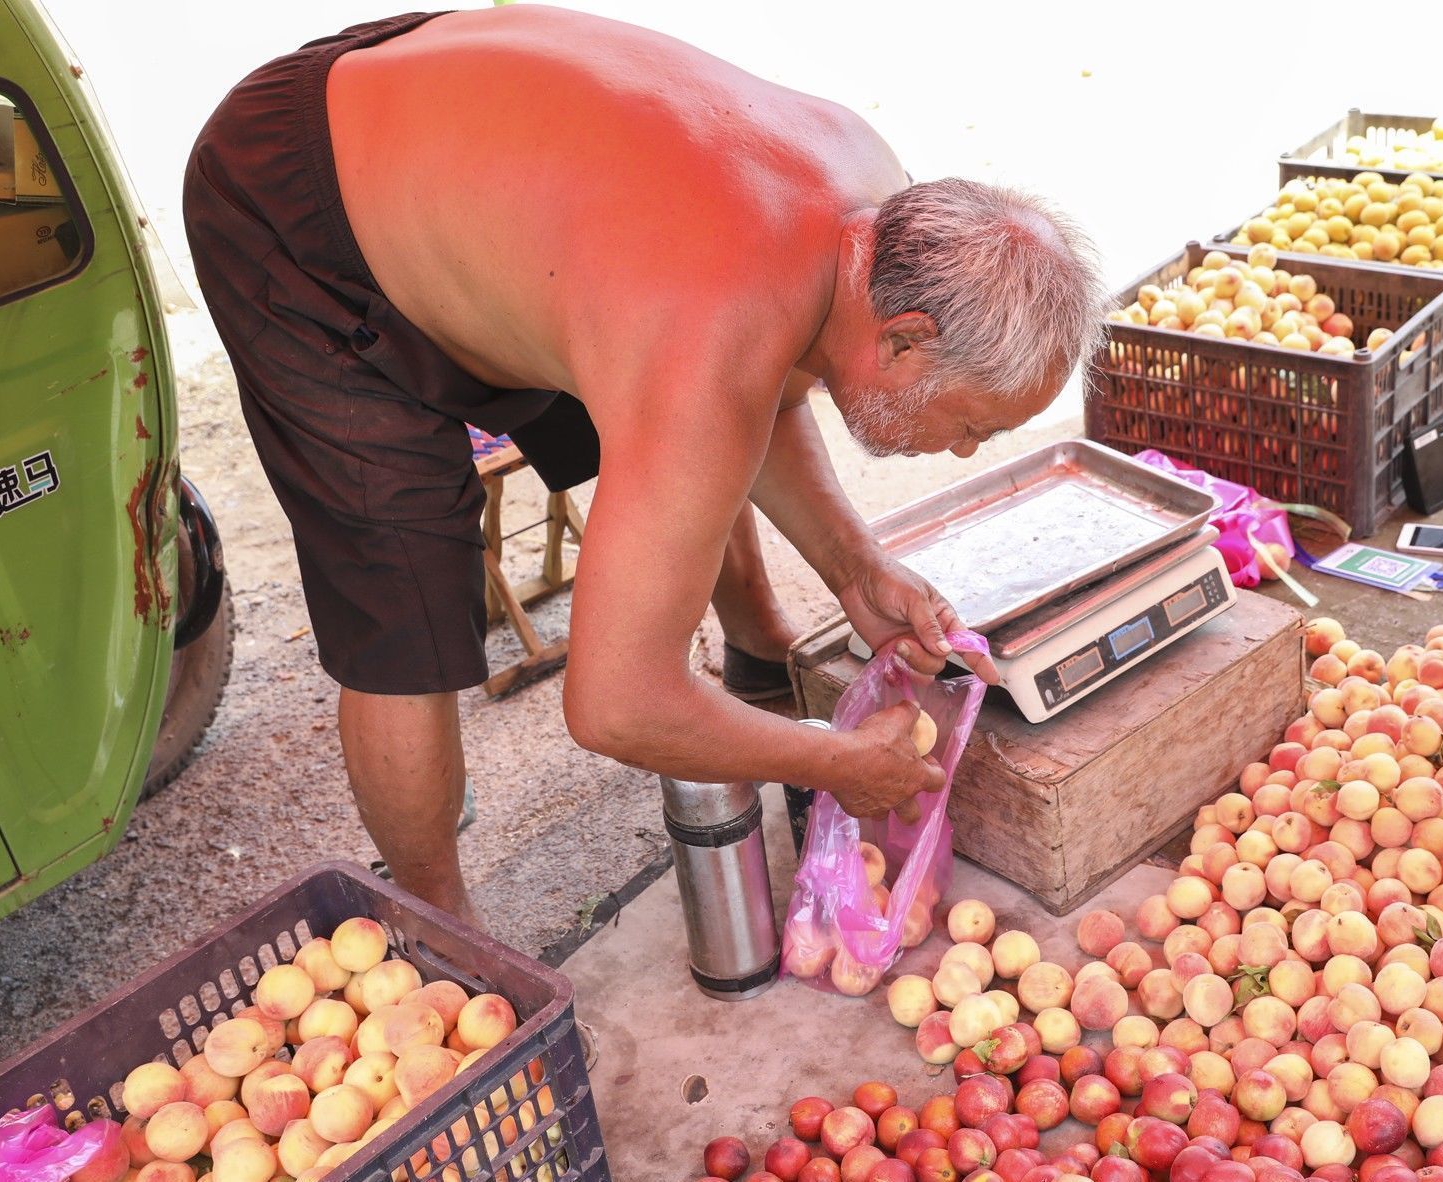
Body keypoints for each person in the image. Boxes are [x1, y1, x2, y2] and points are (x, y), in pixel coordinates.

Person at [183, 6, 1106, 926]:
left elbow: (772, 373)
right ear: (905, 341)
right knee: (404, 596)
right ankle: (437, 922)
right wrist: (830, 759)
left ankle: (755, 639)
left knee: (703, 418)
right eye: (972, 425)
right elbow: (616, 705)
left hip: (459, 129)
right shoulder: (707, 341)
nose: (961, 449)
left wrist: (856, 566)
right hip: (299, 205)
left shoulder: (868, 199)